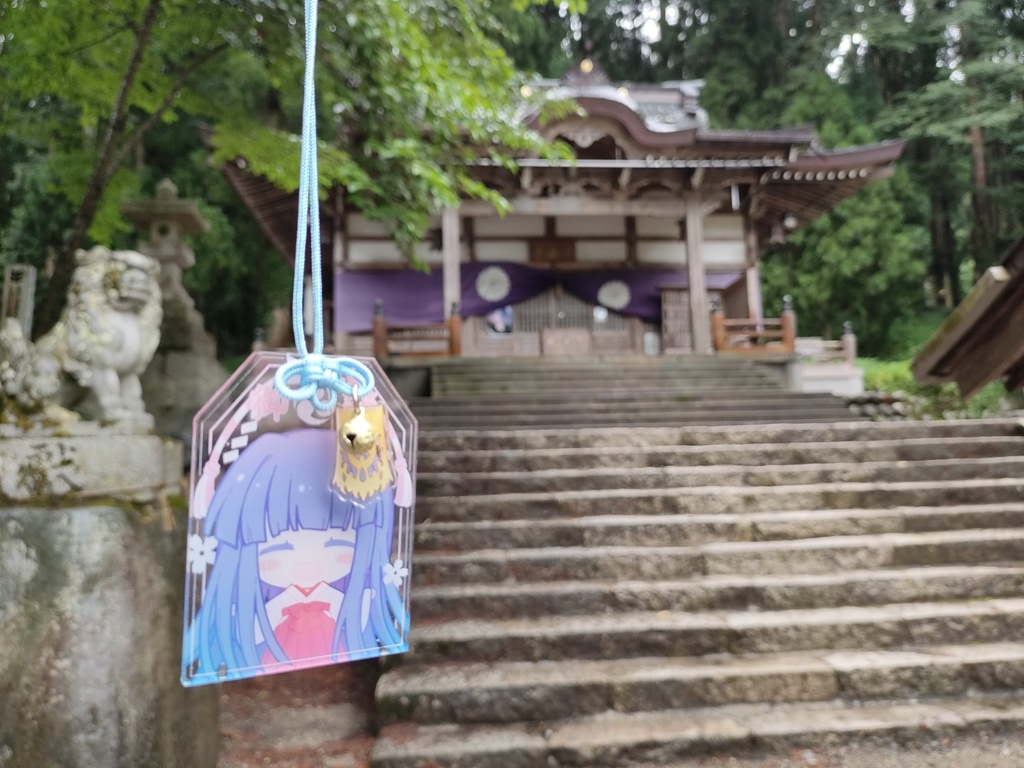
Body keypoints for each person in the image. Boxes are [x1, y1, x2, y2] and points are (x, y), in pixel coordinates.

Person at [182, 421, 411, 685]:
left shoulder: (346, 603)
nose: (308, 565)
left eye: (337, 546)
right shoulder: (265, 609)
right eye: (279, 550)